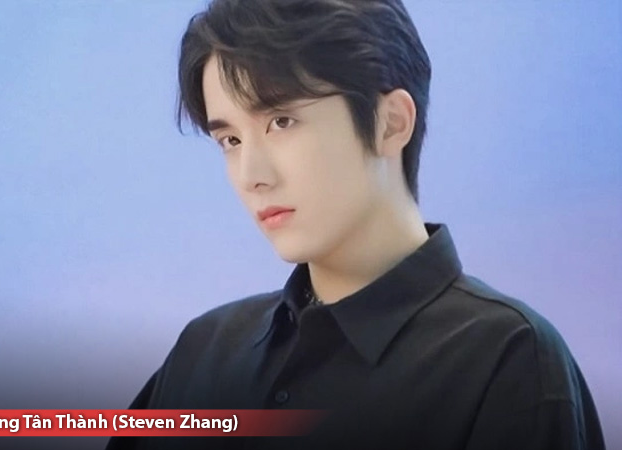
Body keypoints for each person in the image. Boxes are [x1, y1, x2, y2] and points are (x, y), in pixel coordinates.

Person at [107, 0, 605, 448]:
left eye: (281, 121)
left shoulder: (507, 360)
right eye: (230, 141)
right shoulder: (205, 350)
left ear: (392, 122)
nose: (251, 175)